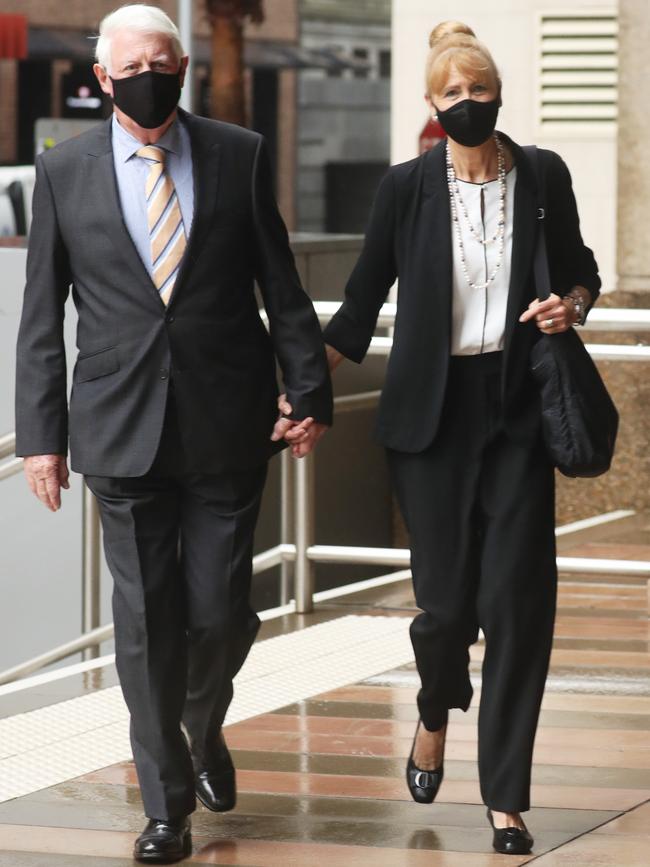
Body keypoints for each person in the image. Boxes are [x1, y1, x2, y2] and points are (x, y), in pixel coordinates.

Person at [15, 4, 331, 863]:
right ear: (104, 77)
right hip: (117, 430)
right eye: (135, 65)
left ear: (184, 66)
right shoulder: (65, 172)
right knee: (148, 618)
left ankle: (201, 724)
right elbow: (41, 318)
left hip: (229, 421)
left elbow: (281, 283)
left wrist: (308, 390)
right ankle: (166, 803)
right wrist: (40, 438)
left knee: (224, 611)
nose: (153, 76)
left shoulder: (237, 153)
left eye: (167, 62)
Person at [323, 21, 599, 857]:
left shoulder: (543, 175)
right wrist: (300, 389)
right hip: (430, 419)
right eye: (454, 96)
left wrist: (571, 307)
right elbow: (364, 297)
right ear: (432, 106)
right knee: (444, 610)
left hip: (517, 409)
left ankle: (506, 796)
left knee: (519, 605)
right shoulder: (405, 188)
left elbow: (580, 265)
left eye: (480, 92)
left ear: (500, 95)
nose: (469, 105)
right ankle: (436, 709)